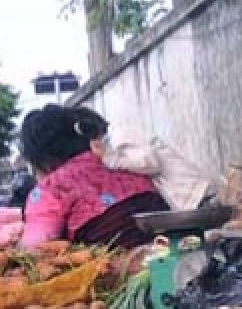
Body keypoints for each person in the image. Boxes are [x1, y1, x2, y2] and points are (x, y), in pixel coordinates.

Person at [19, 104, 169, 249]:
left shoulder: (50, 188)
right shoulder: (117, 160)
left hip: (117, 261)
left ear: (41, 159)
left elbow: (35, 248)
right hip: (169, 241)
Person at [73, 106, 211, 212]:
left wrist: (109, 158)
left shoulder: (119, 135)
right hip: (190, 194)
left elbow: (150, 163)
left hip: (193, 192)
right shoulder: (115, 138)